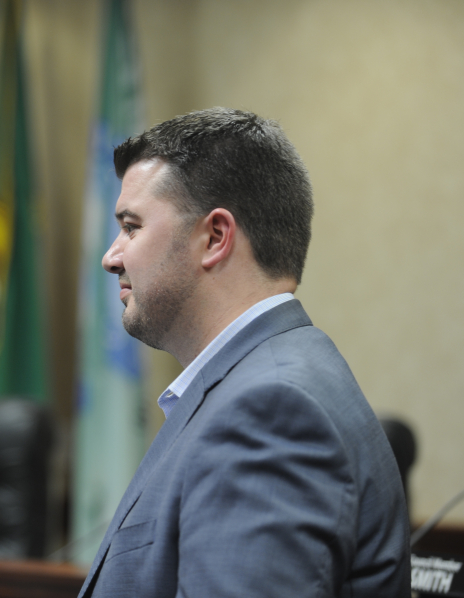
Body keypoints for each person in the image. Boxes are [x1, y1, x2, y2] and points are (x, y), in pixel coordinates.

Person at [78, 108, 410, 597]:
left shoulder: (269, 412)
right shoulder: (262, 381)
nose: (111, 256)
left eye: (131, 227)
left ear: (214, 237)